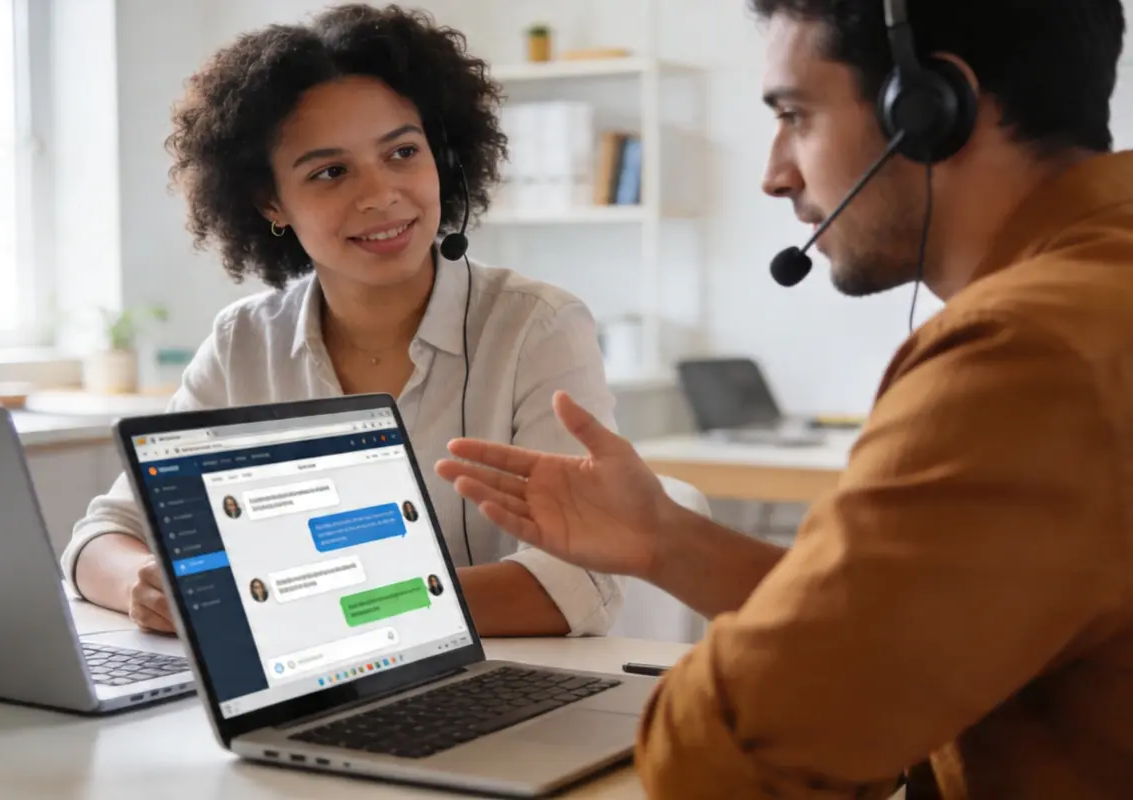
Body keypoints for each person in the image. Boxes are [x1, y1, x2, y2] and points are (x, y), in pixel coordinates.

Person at [436, 0, 1133, 797]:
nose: (774, 174)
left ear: (932, 107)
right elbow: (899, 637)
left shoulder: (1024, 354)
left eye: (795, 116)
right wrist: (664, 538)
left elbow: (740, 750)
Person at [60, 4, 622, 642]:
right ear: (271, 201)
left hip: (506, 687)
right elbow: (104, 535)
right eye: (330, 172)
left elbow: (579, 582)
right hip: (303, 686)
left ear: (442, 158)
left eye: (402, 153)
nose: (380, 194)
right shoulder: (244, 343)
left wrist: (319, 606)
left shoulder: (537, 328)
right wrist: (148, 584)